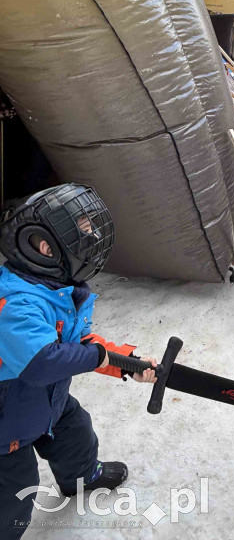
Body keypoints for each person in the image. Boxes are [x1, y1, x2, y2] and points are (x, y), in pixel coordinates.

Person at [0, 184, 157, 539]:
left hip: (46, 403)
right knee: (15, 490)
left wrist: (126, 362)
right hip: (5, 420)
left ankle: (82, 479)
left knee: (76, 435)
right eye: (84, 231)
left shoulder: (56, 290)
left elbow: (81, 345)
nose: (93, 236)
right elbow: (42, 363)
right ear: (45, 246)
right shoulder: (17, 303)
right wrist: (95, 356)